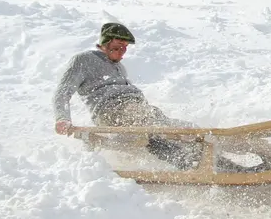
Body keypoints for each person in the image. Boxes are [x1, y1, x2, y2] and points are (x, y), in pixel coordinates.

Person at [53, 23, 208, 170]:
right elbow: (62, 91)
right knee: (151, 125)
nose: (122, 51)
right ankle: (188, 162)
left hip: (137, 108)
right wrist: (62, 118)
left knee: (183, 128)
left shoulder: (119, 67)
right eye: (117, 47)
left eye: (124, 48)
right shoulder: (84, 60)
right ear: (105, 43)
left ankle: (213, 156)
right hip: (111, 109)